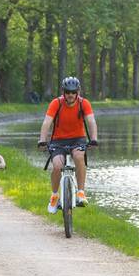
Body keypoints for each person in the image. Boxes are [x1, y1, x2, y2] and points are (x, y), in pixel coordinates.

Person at [37, 76, 98, 214]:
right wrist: (42, 140)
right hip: (58, 140)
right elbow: (46, 122)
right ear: (63, 92)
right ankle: (54, 195)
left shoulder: (84, 103)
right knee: (58, 166)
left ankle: (81, 192)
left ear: (78, 92)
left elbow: (91, 121)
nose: (70, 95)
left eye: (73, 92)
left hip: (78, 139)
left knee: (78, 156)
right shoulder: (56, 103)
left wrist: (93, 139)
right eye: (68, 92)